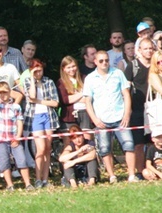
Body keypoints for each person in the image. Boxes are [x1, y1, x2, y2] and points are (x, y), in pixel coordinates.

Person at [83, 50, 137, 183]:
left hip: (120, 117)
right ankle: (112, 176)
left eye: (106, 60)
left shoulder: (118, 73)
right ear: (95, 62)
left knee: (129, 145)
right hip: (101, 119)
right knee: (105, 149)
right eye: (101, 61)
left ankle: (131, 175)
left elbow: (126, 95)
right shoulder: (90, 78)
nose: (104, 63)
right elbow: (88, 102)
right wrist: (95, 119)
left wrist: (126, 114)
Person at [22, 59, 60, 188]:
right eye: (36, 70)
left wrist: (39, 101)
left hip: (49, 116)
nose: (39, 73)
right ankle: (37, 179)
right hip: (35, 117)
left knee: (48, 148)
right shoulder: (27, 81)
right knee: (41, 148)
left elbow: (55, 103)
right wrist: (33, 79)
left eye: (40, 70)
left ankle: (45, 179)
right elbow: (31, 96)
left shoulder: (49, 82)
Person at [0, 83, 33, 191]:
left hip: (13, 137)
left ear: (10, 92)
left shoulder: (16, 106)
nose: (3, 95)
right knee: (4, 162)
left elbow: (19, 122)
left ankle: (28, 184)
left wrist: (18, 137)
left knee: (22, 160)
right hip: (1, 138)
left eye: (5, 92)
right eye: (0, 93)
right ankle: (10, 185)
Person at [125, 39, 156, 174]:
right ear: (140, 50)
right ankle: (140, 171)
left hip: (155, 108)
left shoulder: (158, 63)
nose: (149, 51)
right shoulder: (133, 66)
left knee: (154, 141)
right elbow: (125, 88)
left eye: (151, 48)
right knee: (138, 143)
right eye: (146, 48)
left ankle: (154, 169)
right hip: (137, 109)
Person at [56, 56, 89, 141]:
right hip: (68, 115)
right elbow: (65, 100)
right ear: (63, 69)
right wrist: (82, 93)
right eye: (68, 67)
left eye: (73, 66)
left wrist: (74, 96)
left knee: (87, 140)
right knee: (69, 143)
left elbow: (88, 98)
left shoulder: (84, 78)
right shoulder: (61, 82)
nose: (72, 69)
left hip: (85, 113)